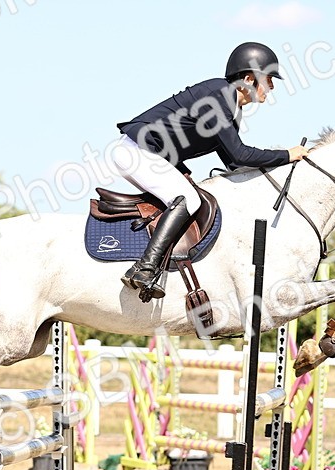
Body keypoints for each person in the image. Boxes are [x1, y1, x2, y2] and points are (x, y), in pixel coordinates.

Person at [109, 42, 310, 299]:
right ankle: (144, 269)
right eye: (269, 79)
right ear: (249, 79)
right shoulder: (219, 97)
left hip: (143, 152)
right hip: (136, 151)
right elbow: (240, 154)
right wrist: (287, 155)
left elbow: (233, 163)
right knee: (187, 199)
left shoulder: (228, 104)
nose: (272, 87)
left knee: (191, 195)